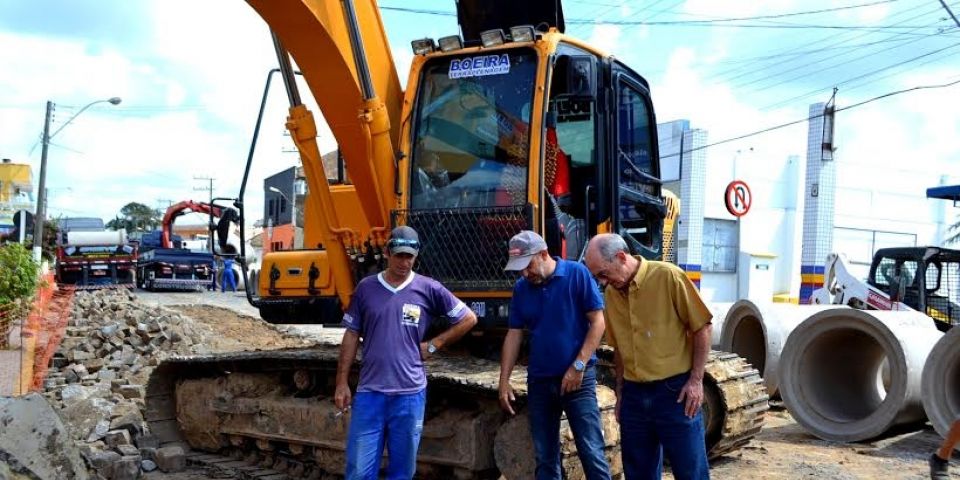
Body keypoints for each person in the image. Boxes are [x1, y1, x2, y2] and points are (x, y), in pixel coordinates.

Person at [334, 226, 478, 480]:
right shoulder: (367, 288)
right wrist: (341, 383)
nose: (404, 262)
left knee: (402, 472)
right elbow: (351, 334)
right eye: (399, 255)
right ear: (388, 253)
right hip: (370, 394)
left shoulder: (428, 288)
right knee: (358, 470)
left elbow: (468, 318)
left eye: (409, 256)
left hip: (409, 396)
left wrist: (435, 344)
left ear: (416, 256)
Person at [583, 233, 713, 480]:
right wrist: (621, 393)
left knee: (690, 471)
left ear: (621, 257)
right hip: (633, 396)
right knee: (638, 473)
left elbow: (702, 326)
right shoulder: (612, 293)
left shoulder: (668, 277)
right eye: (597, 276)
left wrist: (696, 380)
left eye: (603, 273)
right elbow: (619, 348)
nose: (601, 282)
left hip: (676, 393)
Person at [498, 230, 612, 480]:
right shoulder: (521, 288)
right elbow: (514, 334)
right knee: (545, 457)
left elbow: (598, 322)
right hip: (540, 381)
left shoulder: (576, 274)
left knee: (591, 451)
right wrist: (504, 380)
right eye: (519, 269)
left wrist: (578, 365)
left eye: (527, 266)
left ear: (543, 254)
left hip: (578, 381)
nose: (525, 273)